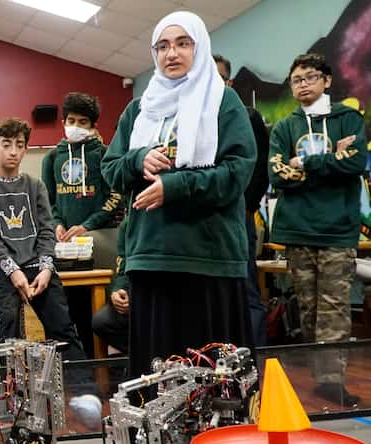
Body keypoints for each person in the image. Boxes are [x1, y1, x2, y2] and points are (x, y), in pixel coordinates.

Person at [101, 11, 256, 385]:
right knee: (157, 382)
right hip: (152, 259)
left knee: (211, 382)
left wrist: (175, 187)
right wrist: (139, 160)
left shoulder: (224, 101)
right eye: (163, 46)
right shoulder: (139, 110)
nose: (172, 53)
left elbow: (238, 173)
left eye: (183, 43)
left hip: (208, 259)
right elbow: (110, 168)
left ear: (199, 47)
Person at [0, 117, 100, 423]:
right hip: (0, 270)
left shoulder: (34, 185)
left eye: (20, 145)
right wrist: (13, 272)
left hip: (37, 267)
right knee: (9, 324)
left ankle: (83, 392)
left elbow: (45, 230)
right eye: (6, 145)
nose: (13, 151)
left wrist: (46, 269)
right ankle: (9, 397)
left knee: (62, 325)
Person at [268, 52, 367, 406]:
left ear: (326, 80)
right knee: (308, 310)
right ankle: (320, 375)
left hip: (338, 229)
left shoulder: (348, 118)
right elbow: (278, 175)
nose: (303, 85)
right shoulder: (284, 127)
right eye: (296, 80)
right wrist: (330, 162)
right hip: (297, 230)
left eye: (310, 77)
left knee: (335, 308)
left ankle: (332, 380)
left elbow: (355, 162)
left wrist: (306, 163)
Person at [41, 92, 123, 357]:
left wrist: (87, 226)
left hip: (98, 242)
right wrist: (56, 224)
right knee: (68, 306)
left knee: (96, 306)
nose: (76, 126)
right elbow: (49, 200)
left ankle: (99, 362)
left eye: (83, 122)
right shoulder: (51, 159)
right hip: (65, 246)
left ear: (93, 125)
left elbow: (115, 197)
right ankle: (76, 362)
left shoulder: (105, 154)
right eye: (72, 120)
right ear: (63, 121)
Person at [214, 54, 269, 347]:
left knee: (246, 287)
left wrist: (248, 207)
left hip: (240, 218)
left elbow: (260, 167)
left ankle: (255, 354)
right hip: (208, 221)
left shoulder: (248, 116)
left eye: (219, 77)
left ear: (229, 81)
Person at [91, 221, 128, 355]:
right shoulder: (127, 224)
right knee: (102, 321)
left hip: (154, 293)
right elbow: (122, 265)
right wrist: (117, 291)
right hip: (130, 291)